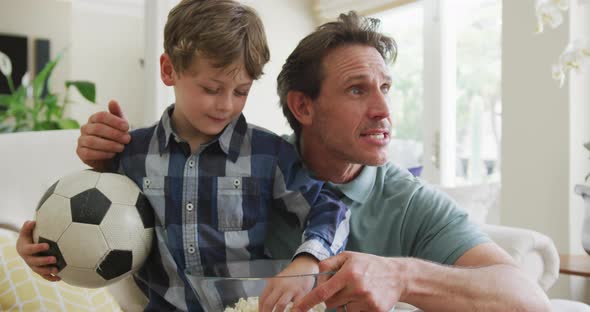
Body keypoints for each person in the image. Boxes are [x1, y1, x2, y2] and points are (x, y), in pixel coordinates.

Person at [74, 11, 549, 312]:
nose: (384, 110)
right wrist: (101, 157)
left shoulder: (408, 202)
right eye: (358, 89)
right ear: (303, 107)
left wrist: (400, 276)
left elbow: (528, 301)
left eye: (386, 87)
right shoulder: (253, 161)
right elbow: (119, 215)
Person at [15, 1, 350, 311]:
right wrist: (36, 247)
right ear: (168, 69)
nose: (226, 105)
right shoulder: (130, 154)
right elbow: (76, 220)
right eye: (211, 88)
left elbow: (330, 206)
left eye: (241, 91)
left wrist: (308, 260)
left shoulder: (268, 154)